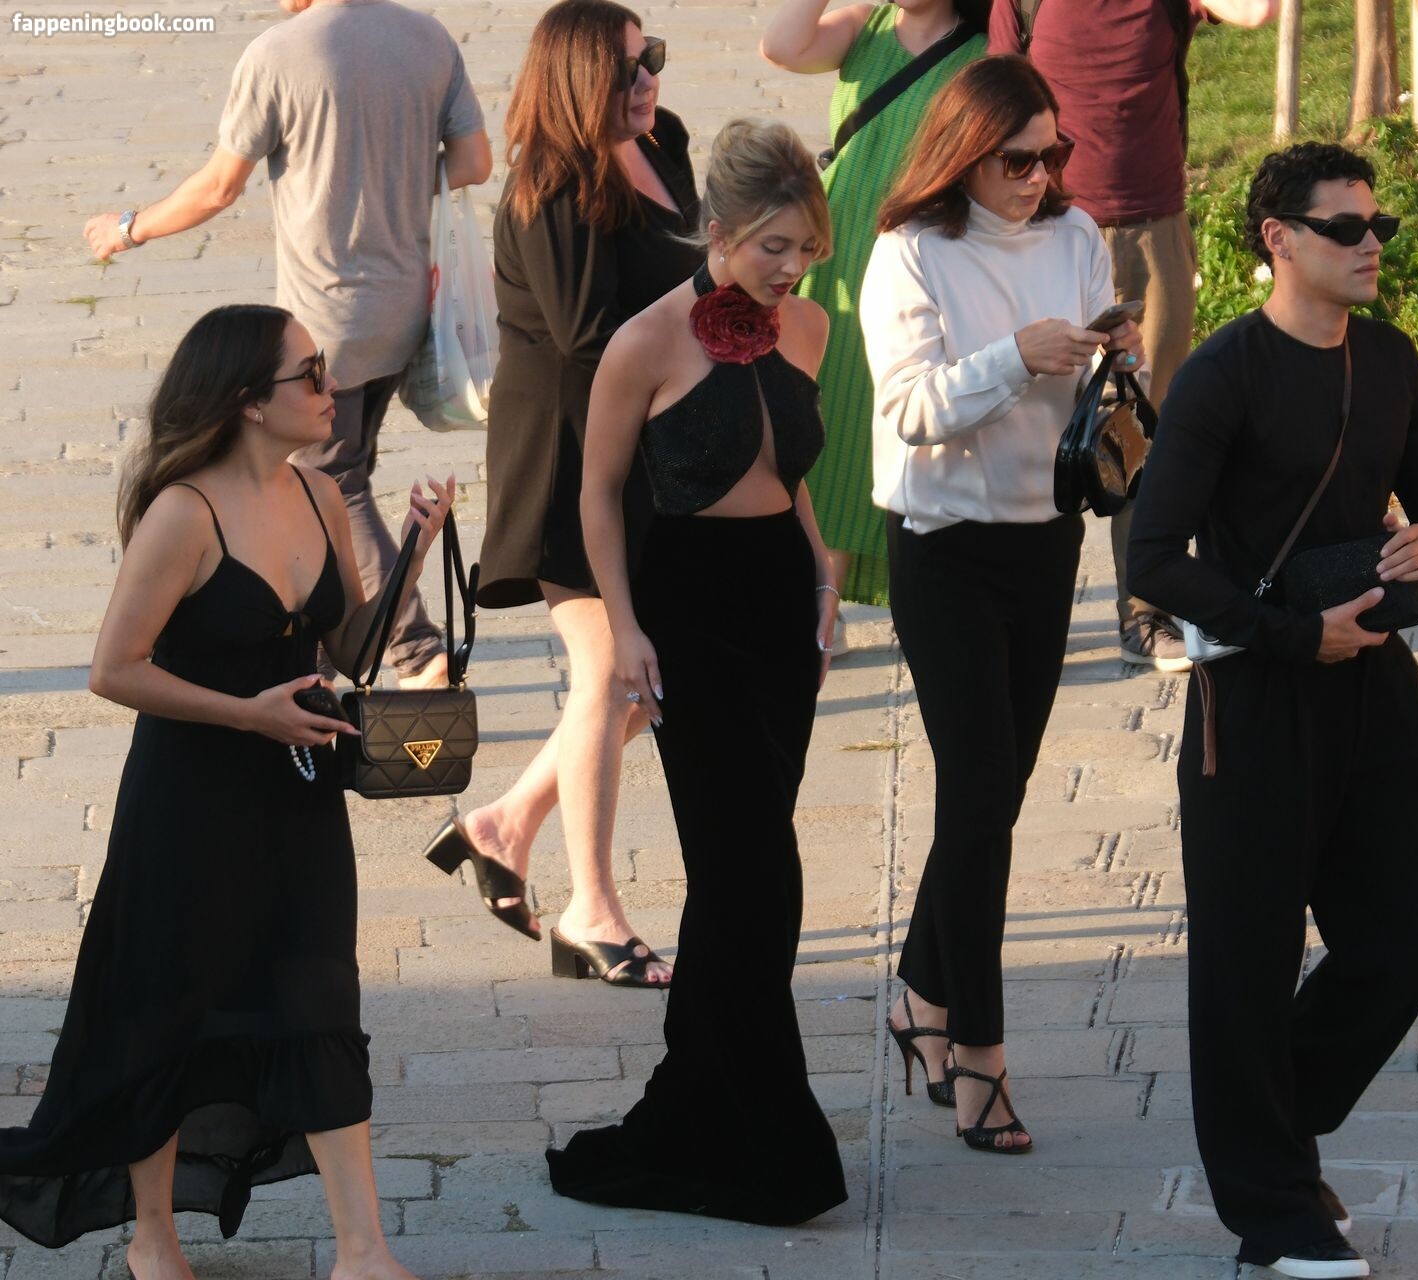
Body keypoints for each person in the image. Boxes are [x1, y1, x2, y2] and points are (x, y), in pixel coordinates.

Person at [0, 305, 451, 1280]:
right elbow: (114, 669)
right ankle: (152, 1236)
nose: (332, 388)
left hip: (298, 795)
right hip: (190, 802)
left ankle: (363, 1249)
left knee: (319, 993)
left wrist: (415, 549)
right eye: (311, 374)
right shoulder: (183, 514)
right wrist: (248, 715)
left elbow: (346, 650)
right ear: (249, 401)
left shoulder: (320, 494)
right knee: (168, 1007)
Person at [1128, 144, 1418, 1279]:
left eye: (1379, 226)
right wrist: (1285, 633)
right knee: (1247, 962)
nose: (1370, 245)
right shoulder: (1222, 375)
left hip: (1375, 689)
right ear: (1279, 239)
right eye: (1344, 228)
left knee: (1404, 942)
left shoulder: (1389, 358)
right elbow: (1151, 558)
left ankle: (1271, 1131)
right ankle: (1272, 1210)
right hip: (1256, 699)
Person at [549, 119, 848, 1225]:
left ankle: (702, 1101)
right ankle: (758, 1129)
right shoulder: (644, 342)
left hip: (779, 605)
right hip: (689, 610)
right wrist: (623, 627)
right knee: (750, 870)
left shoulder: (807, 326)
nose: (790, 269)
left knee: (748, 867)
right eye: (773, 247)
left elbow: (789, 467)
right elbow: (597, 494)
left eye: (805, 248)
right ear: (717, 230)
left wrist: (821, 565)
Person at [864, 56, 1144, 1152]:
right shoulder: (910, 252)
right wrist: (1015, 357)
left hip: (1047, 537)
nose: (1038, 178)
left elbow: (1093, 398)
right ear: (963, 156)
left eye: (1051, 155)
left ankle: (919, 994)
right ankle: (979, 1053)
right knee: (980, 794)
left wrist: (1112, 350)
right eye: (1016, 160)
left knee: (996, 797)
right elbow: (911, 410)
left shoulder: (1075, 238)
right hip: (943, 546)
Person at [82, 0, 492, 690]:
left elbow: (220, 187)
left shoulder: (278, 53)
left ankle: (416, 651)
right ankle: (321, 656)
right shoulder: (428, 37)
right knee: (345, 466)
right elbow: (474, 161)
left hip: (326, 324)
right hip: (405, 310)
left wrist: (129, 228)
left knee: (336, 481)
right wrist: (392, 172)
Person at [423, 0, 703, 988]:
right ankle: (591, 911)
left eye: (651, 56)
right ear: (582, 81)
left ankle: (504, 824)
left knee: (649, 679)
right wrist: (718, 304)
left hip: (646, 452)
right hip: (567, 456)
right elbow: (590, 333)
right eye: (628, 68)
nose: (649, 78)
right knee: (614, 675)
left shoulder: (663, 142)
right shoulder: (548, 189)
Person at [989, 0, 1276, 672]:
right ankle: (1017, 607)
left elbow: (1257, 11)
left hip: (1152, 231)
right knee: (1029, 419)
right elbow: (992, 104)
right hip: (1043, 231)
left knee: (1146, 429)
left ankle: (1145, 611)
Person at [760, 0, 988, 624]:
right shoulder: (867, 24)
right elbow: (781, 46)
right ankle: (813, 603)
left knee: (875, 426)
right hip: (833, 255)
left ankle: (838, 602)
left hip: (915, 264)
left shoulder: (984, 49)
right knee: (821, 423)